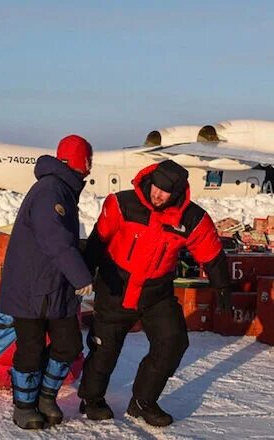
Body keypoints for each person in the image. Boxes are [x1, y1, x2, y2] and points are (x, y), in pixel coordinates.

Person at [78, 159, 231, 427]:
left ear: (179, 192)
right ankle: (91, 399)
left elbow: (212, 254)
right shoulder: (121, 204)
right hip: (116, 287)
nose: (157, 195)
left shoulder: (192, 219)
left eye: (165, 191)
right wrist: (84, 273)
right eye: (155, 188)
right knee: (105, 349)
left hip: (156, 293)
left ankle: (143, 401)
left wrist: (223, 287)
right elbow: (97, 241)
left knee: (173, 341)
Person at [0, 135, 94, 429]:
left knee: (68, 343)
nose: (90, 169)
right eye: (89, 162)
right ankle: (24, 405)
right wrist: (81, 276)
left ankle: (46, 397)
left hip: (56, 286)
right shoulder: (51, 190)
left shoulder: (62, 189)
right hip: (31, 287)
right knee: (31, 348)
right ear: (81, 162)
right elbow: (55, 240)